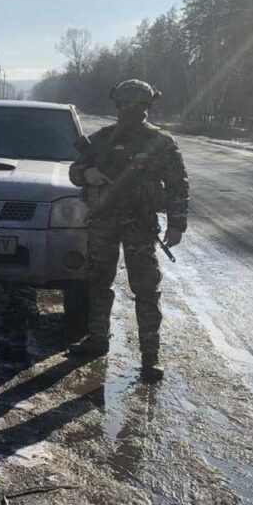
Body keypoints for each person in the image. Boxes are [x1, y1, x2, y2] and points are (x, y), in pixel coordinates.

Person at [68, 79, 189, 380]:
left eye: (136, 105)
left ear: (147, 107)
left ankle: (151, 356)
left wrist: (176, 224)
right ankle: (97, 339)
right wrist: (88, 172)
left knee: (146, 290)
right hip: (103, 223)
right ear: (117, 105)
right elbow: (74, 172)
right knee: (98, 282)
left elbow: (178, 186)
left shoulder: (161, 143)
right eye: (125, 104)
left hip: (140, 225)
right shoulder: (101, 140)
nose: (130, 110)